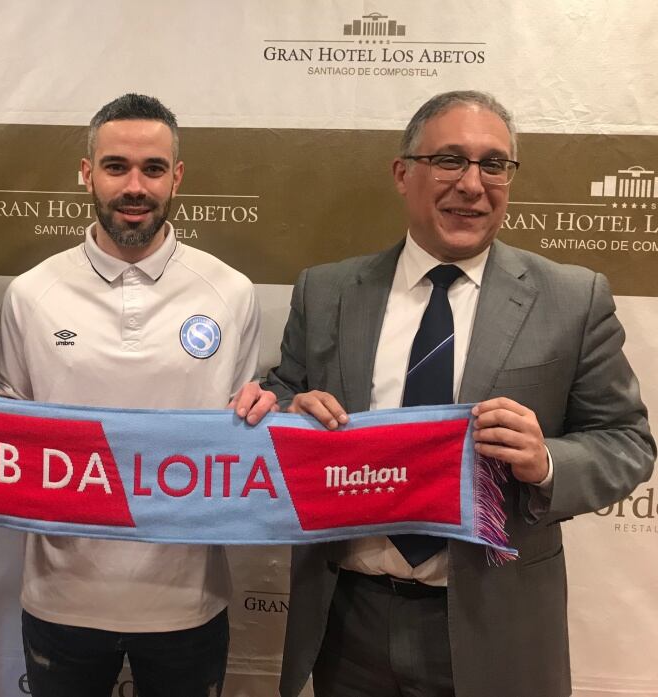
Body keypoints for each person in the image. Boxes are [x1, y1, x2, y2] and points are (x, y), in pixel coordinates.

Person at [263, 90, 655, 697]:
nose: (472, 184)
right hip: (348, 621)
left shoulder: (573, 299)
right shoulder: (326, 292)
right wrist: (289, 416)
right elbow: (279, 400)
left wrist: (546, 461)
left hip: (497, 625)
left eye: (493, 164)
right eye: (449, 160)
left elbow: (627, 443)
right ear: (403, 173)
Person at [0, 93, 277, 697]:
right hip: (61, 601)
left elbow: (244, 436)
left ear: (177, 178)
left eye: (153, 169)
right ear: (86, 173)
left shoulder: (231, 293)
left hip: (189, 603)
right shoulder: (31, 294)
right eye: (116, 167)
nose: (135, 186)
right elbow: (10, 443)